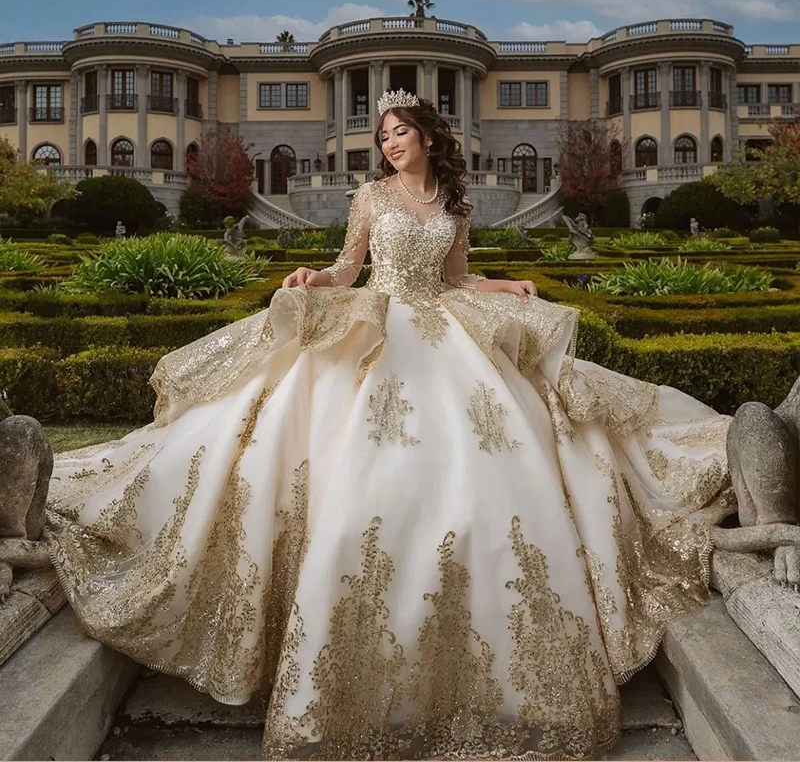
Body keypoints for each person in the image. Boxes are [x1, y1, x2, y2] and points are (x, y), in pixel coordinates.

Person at [46, 90, 734, 761]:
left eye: (399, 133)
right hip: (380, 332)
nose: (389, 143)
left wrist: (507, 289)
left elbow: (456, 280)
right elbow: (353, 266)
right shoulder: (370, 198)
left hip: (449, 335)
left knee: (496, 462)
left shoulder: (452, 206)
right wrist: (317, 277)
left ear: (429, 139)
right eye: (383, 136)